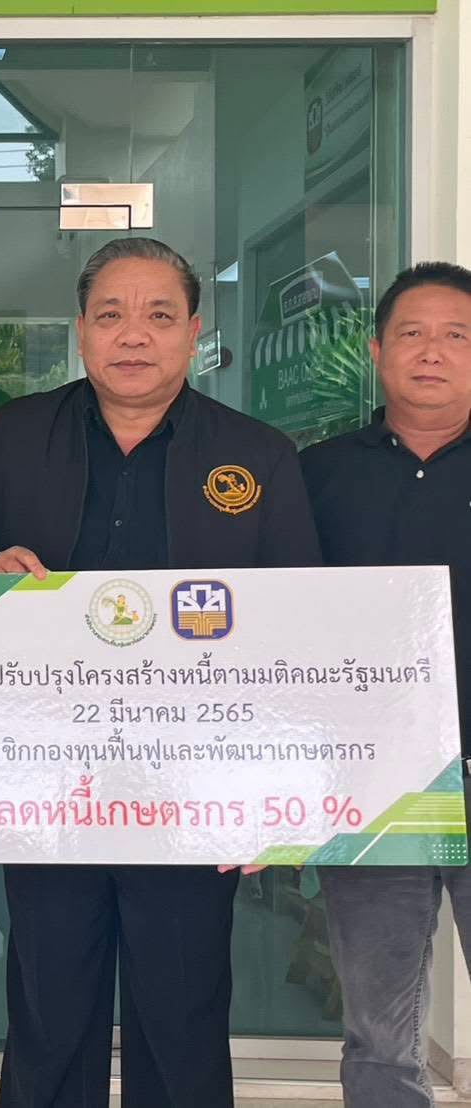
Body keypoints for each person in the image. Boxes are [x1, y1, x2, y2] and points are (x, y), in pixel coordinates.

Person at [0, 237, 321, 1108]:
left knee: (182, 1018)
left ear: (193, 332)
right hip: (46, 781)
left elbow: (296, 631)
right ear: (80, 330)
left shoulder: (256, 454)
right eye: (110, 315)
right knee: (48, 1012)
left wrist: (271, 793)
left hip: (192, 788)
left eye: (158, 315)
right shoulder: (15, 437)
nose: (133, 335)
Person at [299, 262, 471, 1107]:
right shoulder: (313, 476)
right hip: (370, 783)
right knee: (377, 1026)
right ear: (376, 351)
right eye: (410, 333)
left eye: (455, 335)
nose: (430, 351)